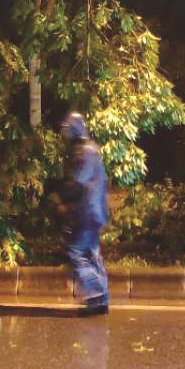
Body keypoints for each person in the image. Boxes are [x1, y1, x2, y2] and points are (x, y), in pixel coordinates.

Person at [61, 112, 110, 315]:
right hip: (96, 211)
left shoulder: (83, 151)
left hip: (85, 211)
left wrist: (65, 200)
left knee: (76, 252)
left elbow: (79, 180)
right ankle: (101, 299)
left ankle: (95, 294)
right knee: (92, 253)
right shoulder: (93, 150)